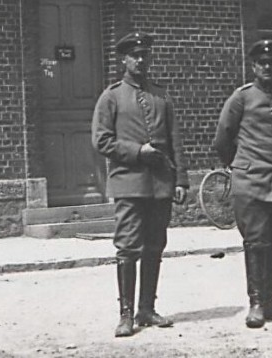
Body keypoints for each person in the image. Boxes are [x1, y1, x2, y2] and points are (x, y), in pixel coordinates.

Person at [91, 31, 189, 337]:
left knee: (155, 246)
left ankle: (147, 309)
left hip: (160, 185)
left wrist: (181, 180)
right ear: (124, 59)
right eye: (135, 55)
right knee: (128, 248)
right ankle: (126, 315)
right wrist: (137, 152)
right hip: (129, 184)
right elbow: (101, 140)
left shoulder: (161, 95)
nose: (141, 60)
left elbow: (175, 140)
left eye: (146, 54)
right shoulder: (111, 97)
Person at [213, 39, 272, 328]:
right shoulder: (241, 98)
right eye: (261, 63)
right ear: (253, 66)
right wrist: (242, 166)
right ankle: (255, 303)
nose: (267, 67)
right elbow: (222, 139)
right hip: (251, 183)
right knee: (256, 242)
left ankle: (270, 302)